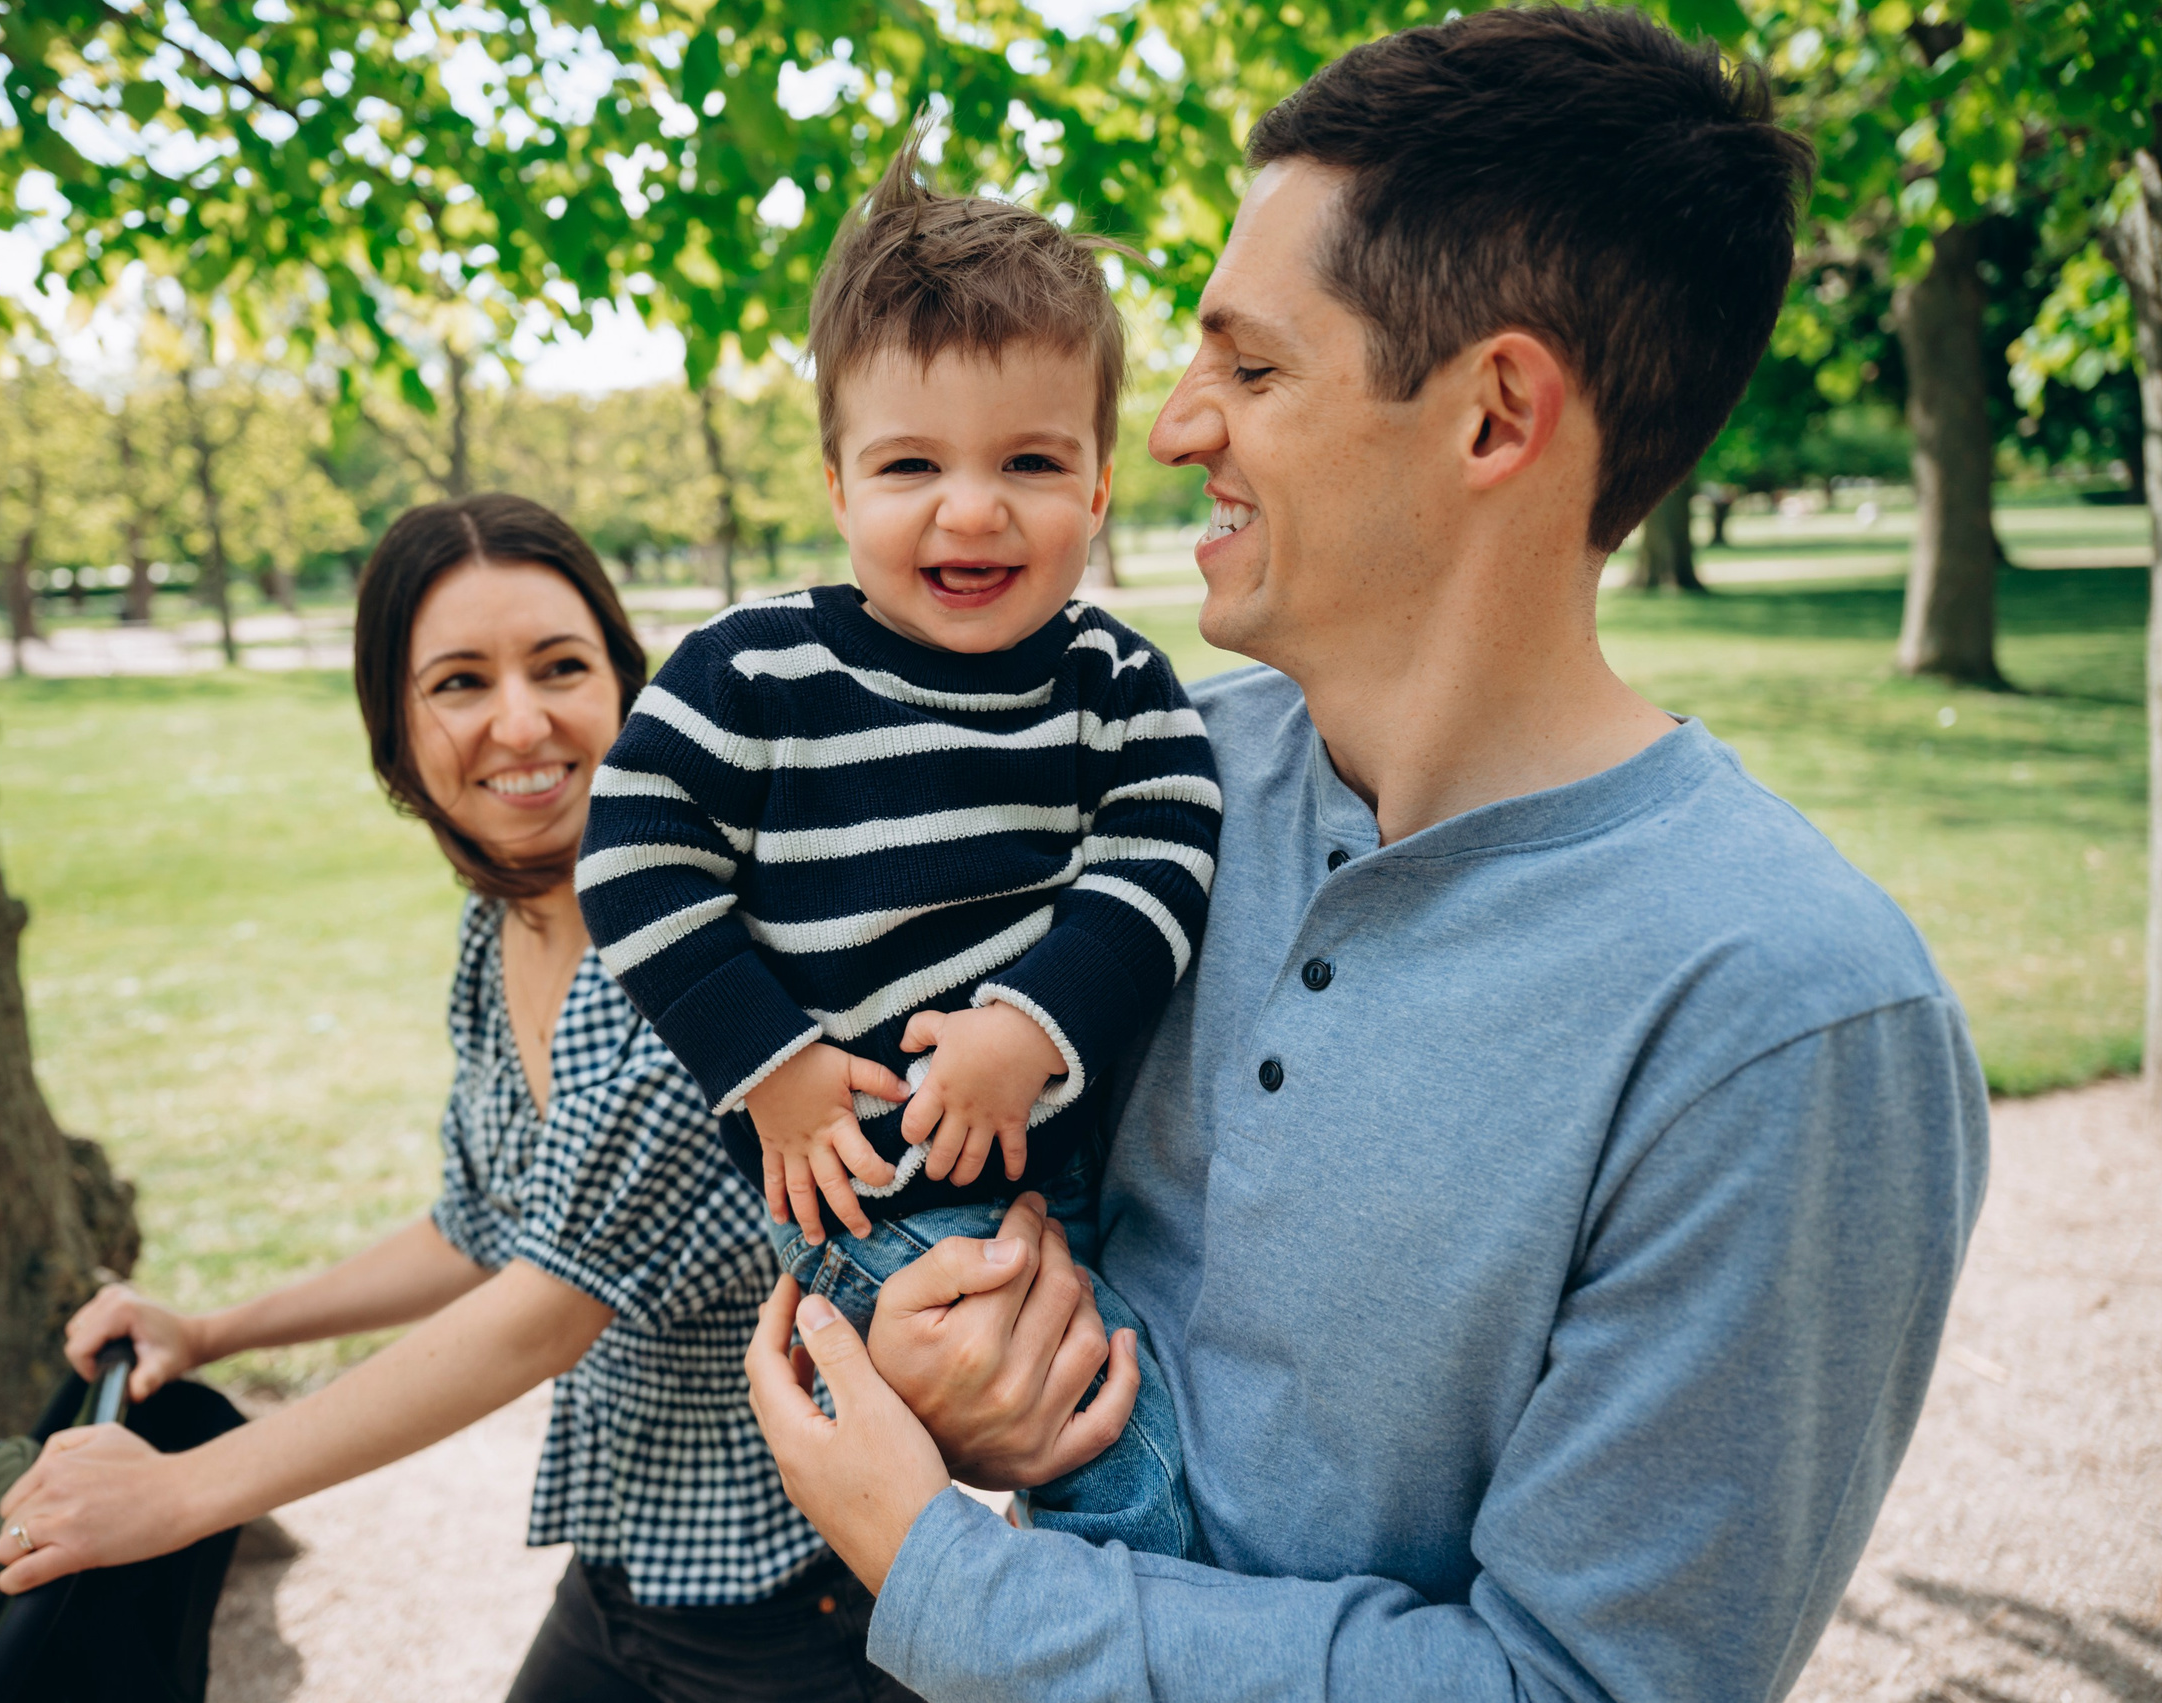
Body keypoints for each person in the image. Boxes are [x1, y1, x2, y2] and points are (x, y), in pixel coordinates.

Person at [744, 11, 1993, 1702]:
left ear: (1495, 417)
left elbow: (1587, 1685)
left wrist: (951, 1578)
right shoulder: (1144, 786)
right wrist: (953, 1353)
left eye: (1252, 370)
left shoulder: (1789, 1021)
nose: (1176, 428)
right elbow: (998, 1222)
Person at [0, 494, 920, 1703]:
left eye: (561, 665)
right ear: (397, 734)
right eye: (459, 681)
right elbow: (477, 1224)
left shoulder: (687, 975)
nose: (521, 721)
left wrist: (180, 1490)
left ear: (633, 691)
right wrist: (215, 1331)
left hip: (795, 1597)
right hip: (634, 1557)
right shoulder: (508, 929)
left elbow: (543, 1309)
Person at [576, 137, 1220, 1559]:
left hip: (1062, 1178)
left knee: (1117, 1383)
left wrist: (1036, 1025)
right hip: (872, 1200)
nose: (973, 507)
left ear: (1102, 484)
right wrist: (776, 1070)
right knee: (1124, 1440)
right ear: (838, 481)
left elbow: (1163, 855)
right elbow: (631, 853)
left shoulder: (1112, 683)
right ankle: (1130, 1631)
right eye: (912, 462)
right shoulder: (758, 674)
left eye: (1031, 461)